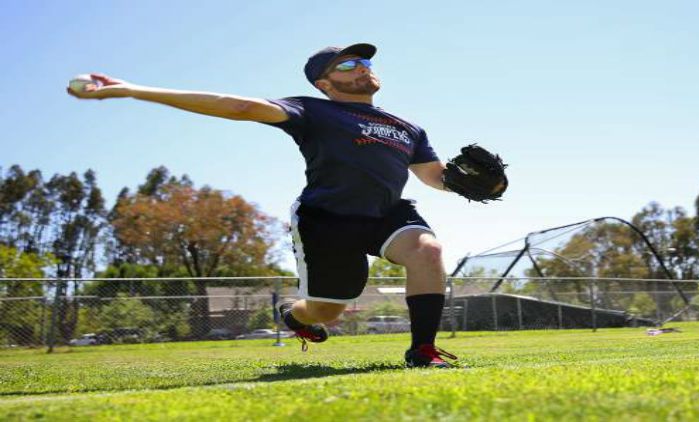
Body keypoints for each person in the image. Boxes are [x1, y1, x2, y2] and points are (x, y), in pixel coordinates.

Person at [68, 43, 459, 368]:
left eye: (364, 63)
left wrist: (470, 182)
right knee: (326, 312)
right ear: (324, 83)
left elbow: (434, 176)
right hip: (328, 219)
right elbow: (241, 107)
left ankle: (422, 350)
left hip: (388, 213)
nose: (361, 68)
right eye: (347, 65)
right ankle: (294, 314)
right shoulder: (313, 110)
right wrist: (133, 89)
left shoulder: (407, 127)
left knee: (428, 251)